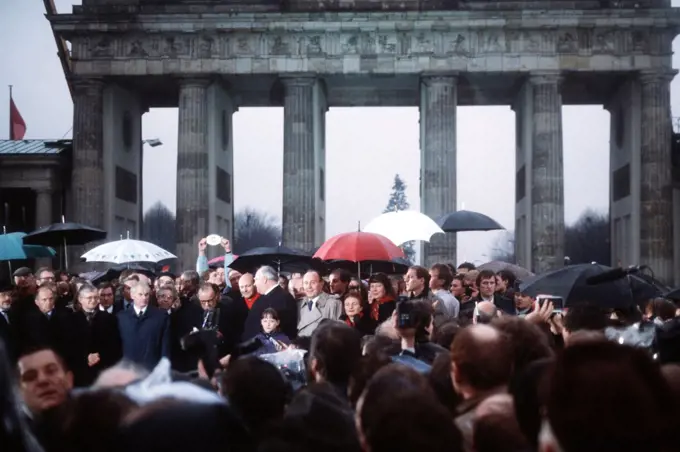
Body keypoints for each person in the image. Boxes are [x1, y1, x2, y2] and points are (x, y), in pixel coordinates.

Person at [117, 281, 170, 370]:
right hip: (128, 369)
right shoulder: (121, 317)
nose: (144, 297)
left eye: (146, 294)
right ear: (132, 295)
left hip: (152, 369)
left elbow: (165, 346)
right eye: (140, 294)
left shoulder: (161, 317)